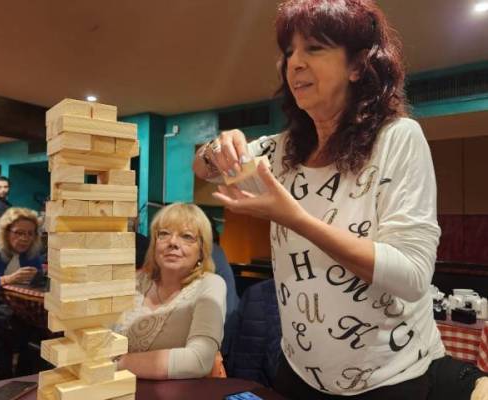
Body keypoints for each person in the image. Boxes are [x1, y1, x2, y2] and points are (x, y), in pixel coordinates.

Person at [193, 0, 487, 398]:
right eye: (289, 51)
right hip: (299, 373)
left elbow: (413, 275)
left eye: (313, 48)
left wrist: (295, 218)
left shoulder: (397, 138)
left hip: (388, 379)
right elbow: (202, 167)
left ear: (357, 65)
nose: (294, 62)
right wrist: (219, 149)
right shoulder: (283, 150)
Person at [114, 203, 227, 380]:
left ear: (201, 251)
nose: (173, 242)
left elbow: (199, 360)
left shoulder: (210, 284)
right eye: (164, 234)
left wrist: (118, 364)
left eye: (187, 236)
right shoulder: (133, 282)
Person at [0, 207, 42, 378]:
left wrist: (39, 278)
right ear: (5, 232)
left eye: (30, 233)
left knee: (39, 338)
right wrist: (5, 280)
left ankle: (25, 382)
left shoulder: (32, 256)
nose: (24, 238)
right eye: (18, 233)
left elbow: (38, 281)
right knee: (2, 340)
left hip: (17, 313)